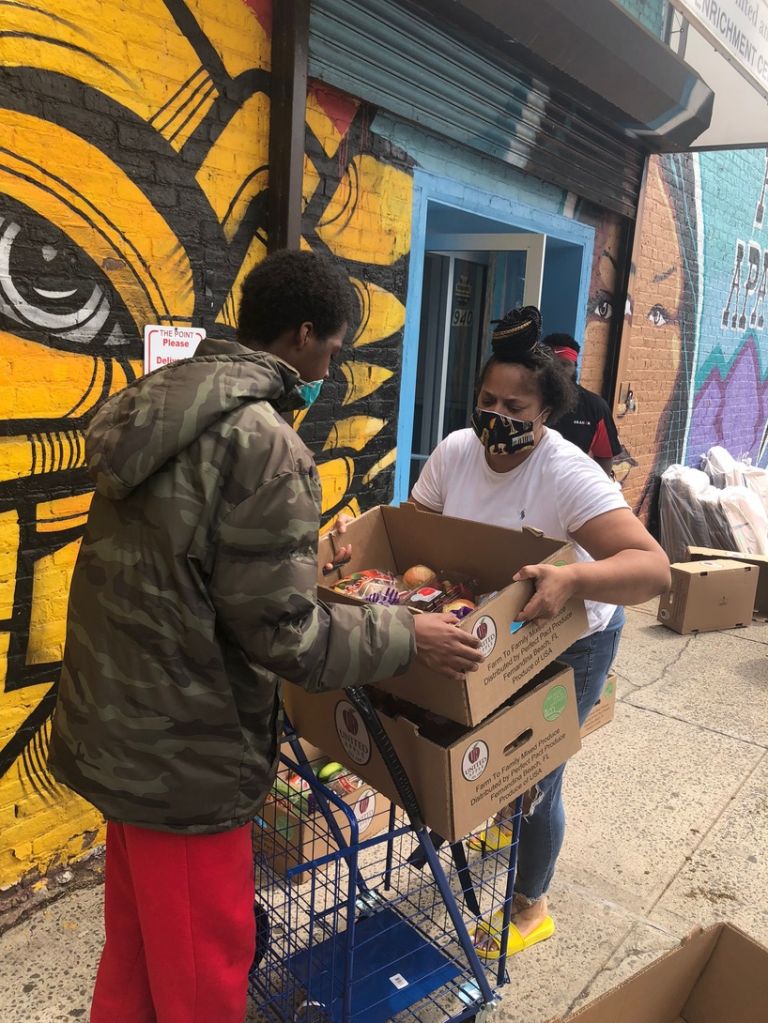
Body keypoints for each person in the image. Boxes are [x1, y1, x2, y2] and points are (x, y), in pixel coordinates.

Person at [47, 249, 482, 1023]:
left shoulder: (167, 404)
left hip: (118, 730)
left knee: (138, 951)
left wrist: (298, 562)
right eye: (335, 350)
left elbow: (188, 568)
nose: (333, 369)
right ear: (305, 335)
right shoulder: (266, 443)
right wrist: (408, 635)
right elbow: (290, 642)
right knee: (204, 972)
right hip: (186, 757)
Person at [410, 306, 670, 958]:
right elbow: (410, 533)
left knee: (535, 769)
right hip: (504, 627)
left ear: (545, 413)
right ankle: (504, 822)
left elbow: (652, 569)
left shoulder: (565, 472)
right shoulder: (455, 453)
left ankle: (531, 904)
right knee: (494, 750)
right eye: (488, 399)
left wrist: (575, 580)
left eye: (515, 405)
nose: (497, 415)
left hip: (572, 634)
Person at [541, 332, 623, 476]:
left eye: (564, 364)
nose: (557, 371)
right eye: (551, 365)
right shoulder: (528, 401)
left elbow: (604, 456)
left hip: (571, 488)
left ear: (575, 367)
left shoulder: (595, 407)